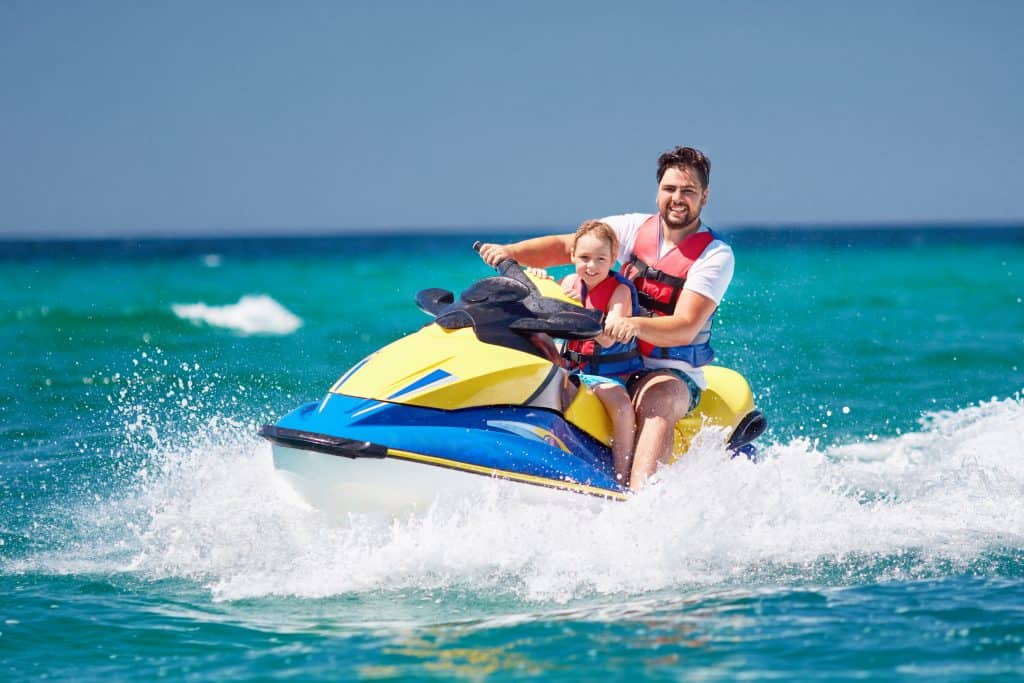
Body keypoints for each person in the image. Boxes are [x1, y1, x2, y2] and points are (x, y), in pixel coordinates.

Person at [478, 146, 733, 490]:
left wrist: (633, 324)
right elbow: (567, 246)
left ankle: (641, 498)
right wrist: (510, 253)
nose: (677, 198)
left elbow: (686, 326)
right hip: (606, 360)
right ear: (658, 191)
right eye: (670, 189)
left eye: (688, 191)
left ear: (704, 196)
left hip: (666, 371)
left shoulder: (714, 255)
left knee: (657, 400)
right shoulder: (630, 228)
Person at [539, 220, 643, 486]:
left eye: (600, 259)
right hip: (572, 368)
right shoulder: (570, 281)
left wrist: (579, 312)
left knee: (621, 408)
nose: (592, 266)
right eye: (584, 258)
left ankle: (623, 478)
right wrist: (543, 282)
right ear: (572, 255)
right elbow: (543, 308)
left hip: (609, 376)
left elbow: (608, 339)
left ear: (612, 258)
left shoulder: (619, 292)